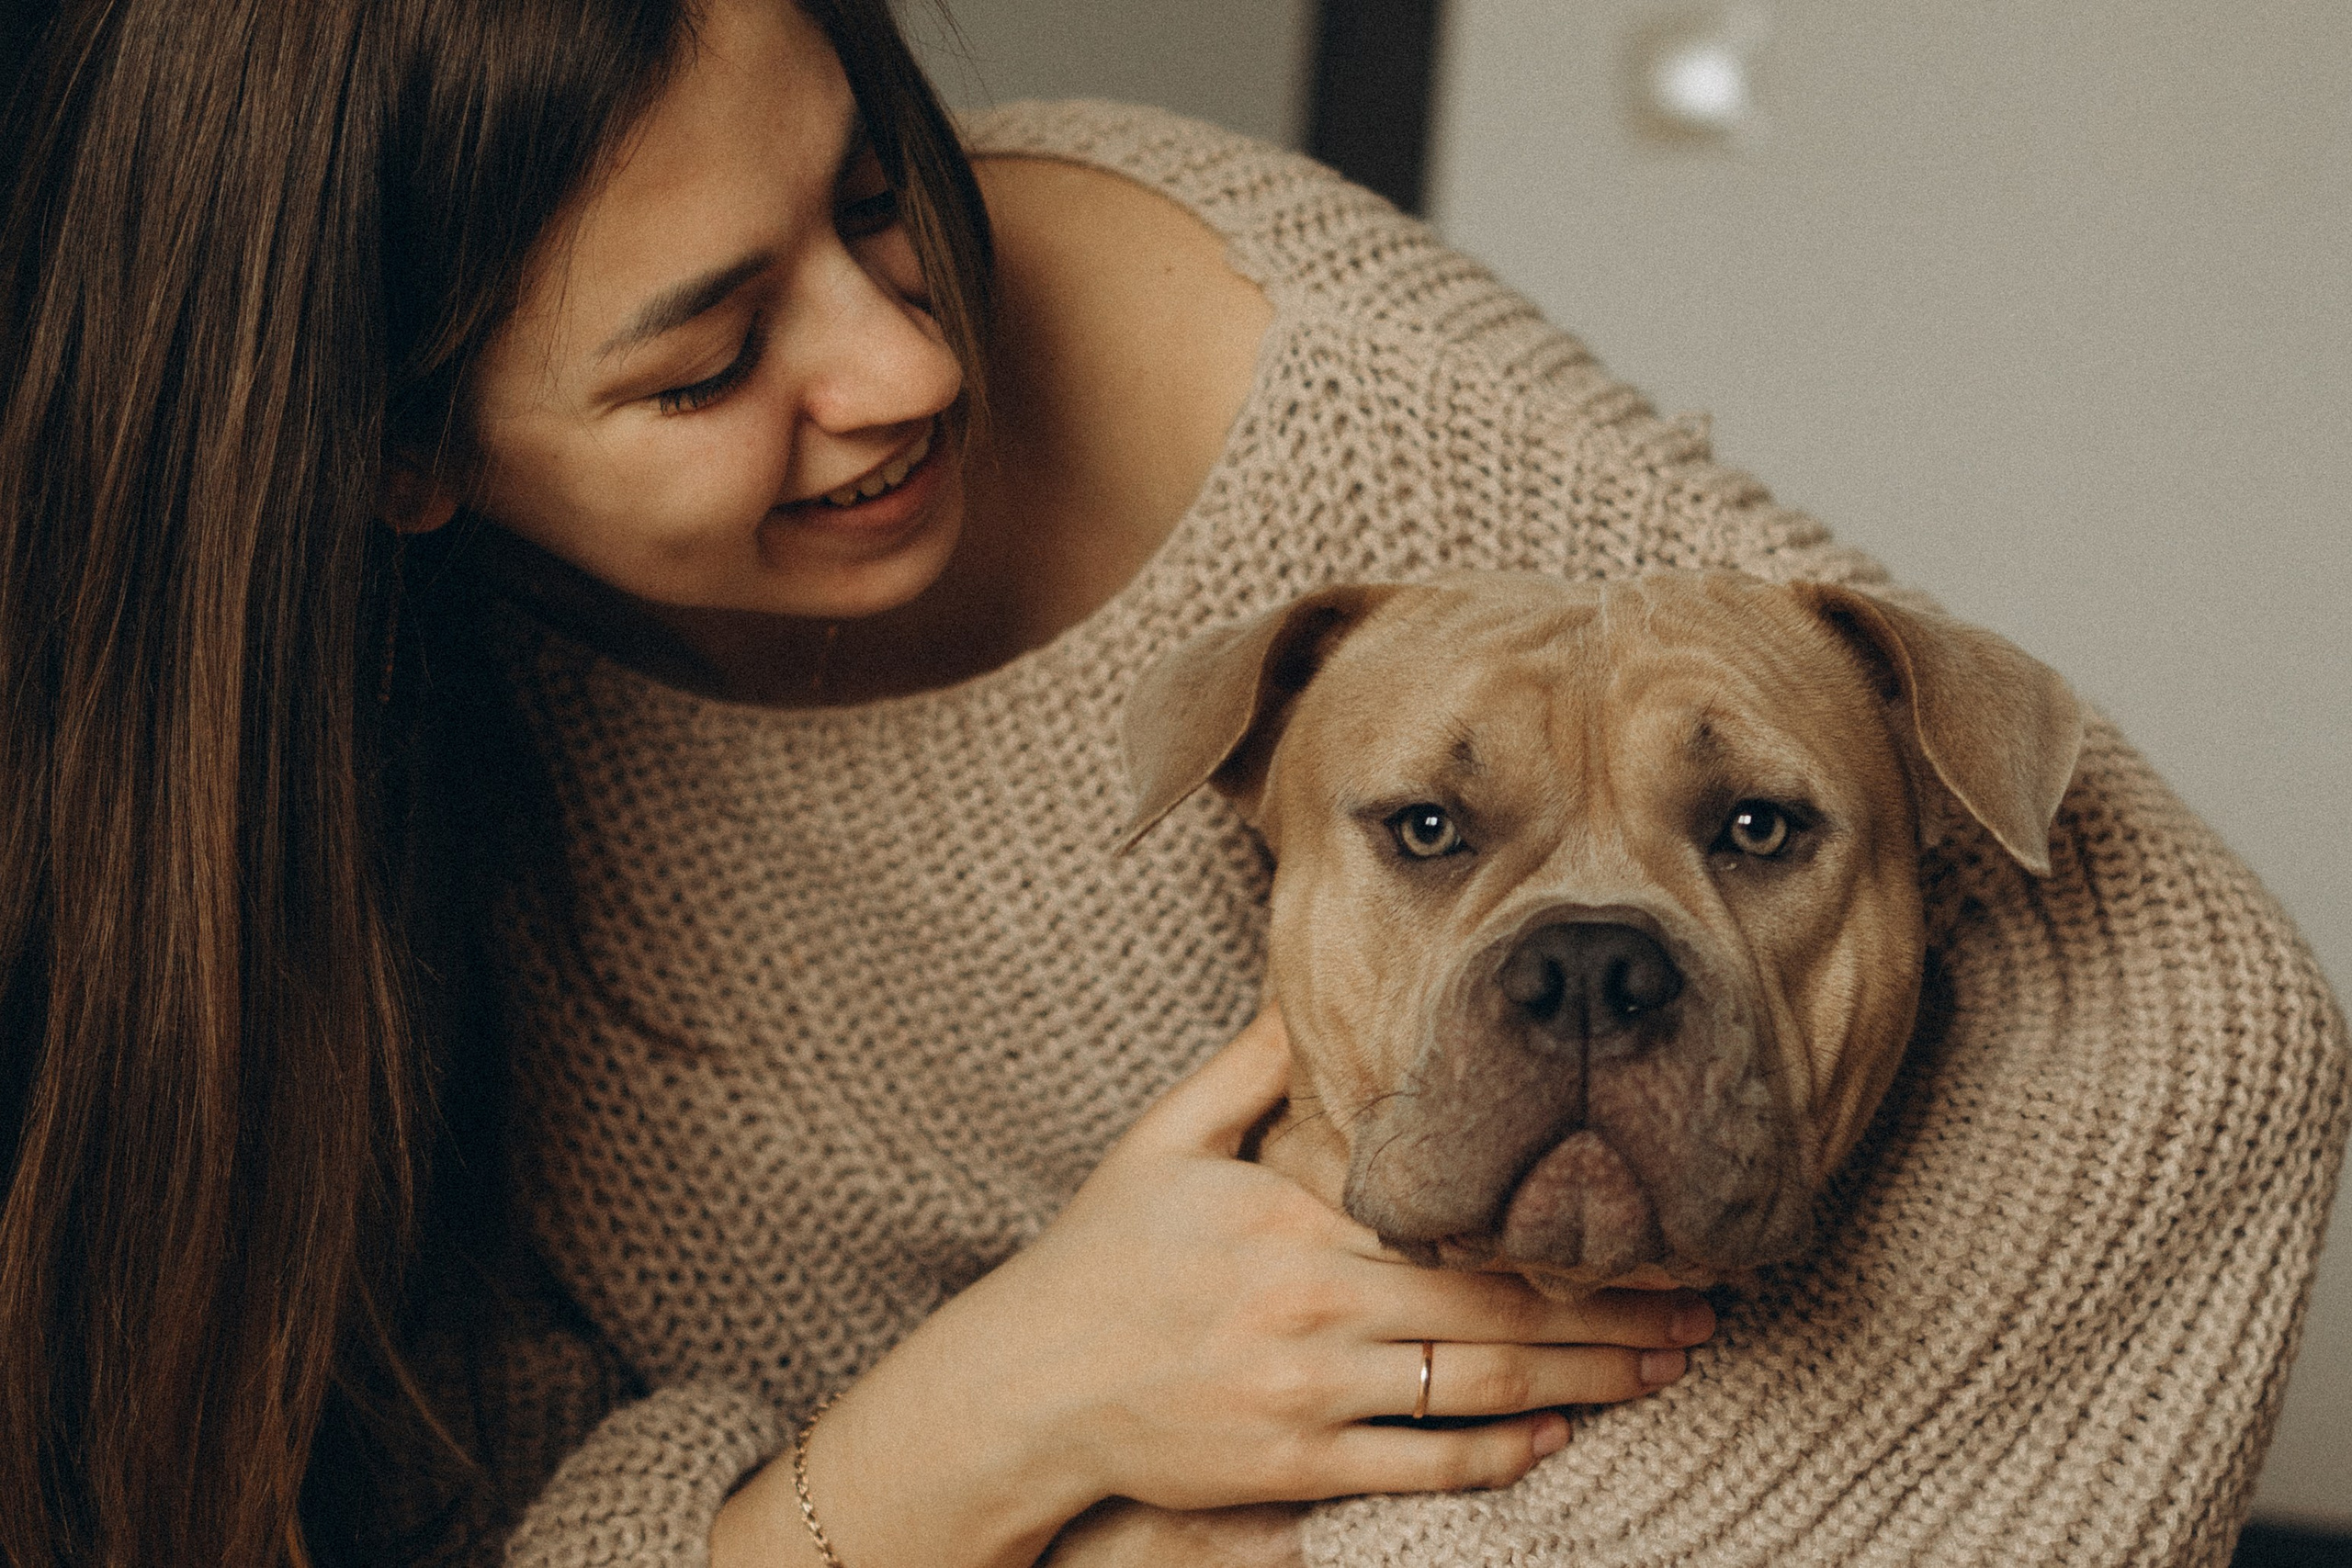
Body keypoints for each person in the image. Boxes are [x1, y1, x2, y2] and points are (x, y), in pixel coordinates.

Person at [1, 1, 2337, 1566]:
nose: (909, 354)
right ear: (394, 452)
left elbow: (2199, 1020)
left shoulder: (1319, 407)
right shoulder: (323, 800)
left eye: (875, 195)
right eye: (710, 352)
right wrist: (975, 1419)